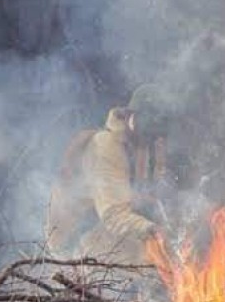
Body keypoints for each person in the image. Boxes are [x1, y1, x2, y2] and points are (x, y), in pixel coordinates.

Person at [47, 84, 173, 266]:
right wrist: (155, 230)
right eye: (148, 126)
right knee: (126, 278)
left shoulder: (151, 140)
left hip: (117, 223)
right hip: (79, 239)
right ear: (130, 116)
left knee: (153, 266)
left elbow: (153, 190)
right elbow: (112, 215)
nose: (152, 137)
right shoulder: (105, 147)